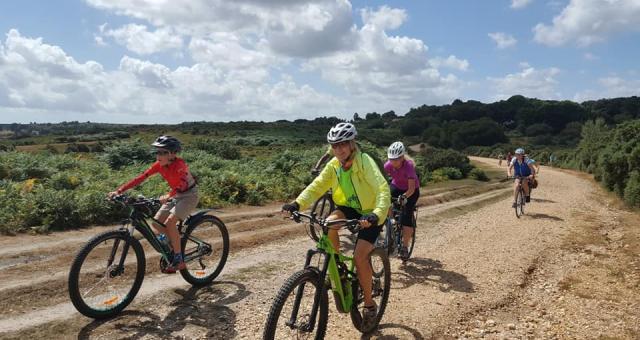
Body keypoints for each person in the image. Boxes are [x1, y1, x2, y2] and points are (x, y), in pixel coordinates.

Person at [282, 122, 390, 326]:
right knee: (329, 223)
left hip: (371, 211)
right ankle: (338, 267)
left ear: (352, 144)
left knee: (360, 257)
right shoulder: (334, 165)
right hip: (348, 207)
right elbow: (317, 186)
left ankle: (369, 305)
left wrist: (376, 214)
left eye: (343, 144)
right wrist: (297, 203)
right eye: (334, 145)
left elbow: (382, 189)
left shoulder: (364, 161)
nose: (339, 149)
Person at [108, 136, 198, 273]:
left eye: (163, 152)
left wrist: (168, 196)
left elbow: (182, 184)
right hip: (175, 195)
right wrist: (119, 191)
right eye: (157, 152)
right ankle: (174, 246)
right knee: (156, 224)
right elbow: (141, 177)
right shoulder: (158, 165)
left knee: (170, 223)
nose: (159, 155)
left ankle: (179, 258)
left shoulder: (180, 165)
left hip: (189, 195)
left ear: (173, 154)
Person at [383, 141, 420, 260]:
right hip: (396, 186)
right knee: (385, 200)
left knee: (406, 217)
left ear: (402, 157)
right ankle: (392, 220)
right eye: (391, 159)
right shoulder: (387, 166)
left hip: (411, 191)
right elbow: (382, 181)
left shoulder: (408, 166)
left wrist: (404, 197)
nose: (393, 162)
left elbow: (411, 188)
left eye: (396, 159)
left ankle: (404, 247)